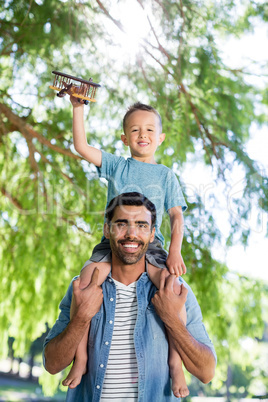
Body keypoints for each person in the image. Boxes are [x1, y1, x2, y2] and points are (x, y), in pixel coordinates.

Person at [64, 99, 189, 396]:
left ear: (160, 138)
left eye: (149, 130)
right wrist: (78, 107)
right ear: (125, 138)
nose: (142, 135)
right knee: (84, 283)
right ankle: (81, 359)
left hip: (153, 246)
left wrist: (174, 251)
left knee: (172, 287)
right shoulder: (117, 165)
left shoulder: (165, 175)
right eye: (135, 130)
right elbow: (81, 146)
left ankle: (175, 363)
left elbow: (176, 215)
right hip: (115, 244)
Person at [43, 192, 216, 402]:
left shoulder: (173, 291)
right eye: (122, 224)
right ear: (107, 229)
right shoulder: (83, 287)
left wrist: (171, 318)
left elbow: (206, 372)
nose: (131, 234)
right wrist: (81, 318)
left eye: (142, 225)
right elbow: (52, 364)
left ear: (152, 234)